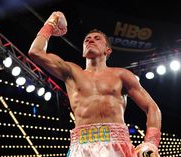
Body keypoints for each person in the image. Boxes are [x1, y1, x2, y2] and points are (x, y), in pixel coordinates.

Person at [28, 11, 161, 157]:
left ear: (107, 50)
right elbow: (35, 52)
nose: (90, 40)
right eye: (87, 39)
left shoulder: (122, 75)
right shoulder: (71, 72)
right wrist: (52, 20)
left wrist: (151, 142)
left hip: (116, 147)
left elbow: (151, 107)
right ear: (83, 51)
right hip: (80, 148)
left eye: (97, 39)